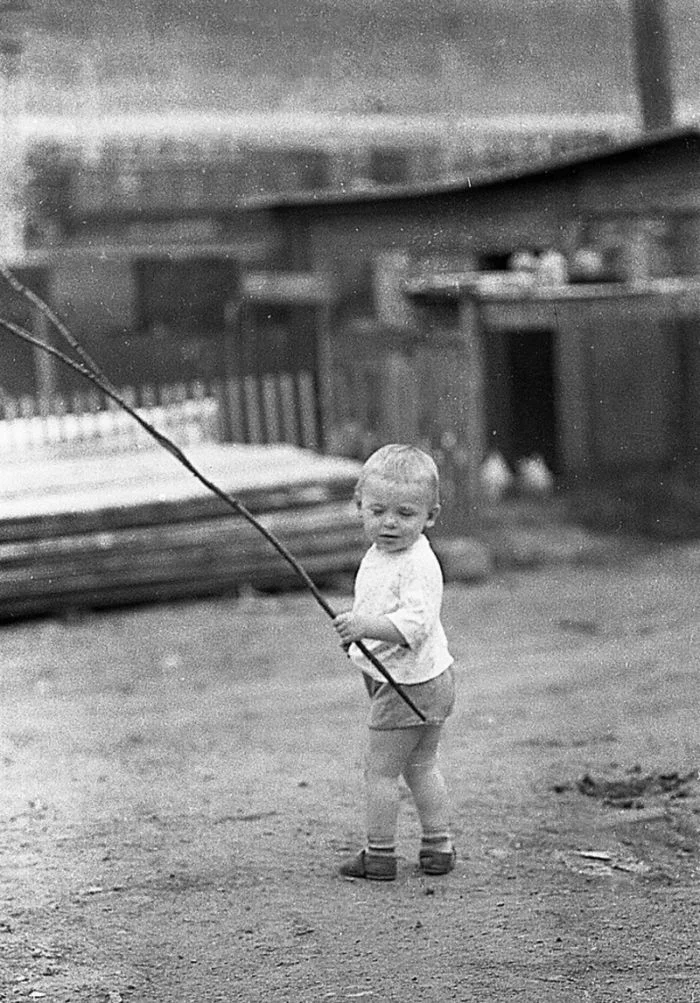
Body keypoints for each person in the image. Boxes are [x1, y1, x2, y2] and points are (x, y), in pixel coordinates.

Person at [333, 443, 456, 881]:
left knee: (380, 772)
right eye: (377, 510)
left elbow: (414, 625)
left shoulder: (417, 562)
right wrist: (359, 639)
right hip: (415, 678)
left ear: (430, 516)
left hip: (410, 683)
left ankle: (380, 855)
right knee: (420, 765)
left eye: (405, 513)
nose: (389, 522)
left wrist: (363, 626)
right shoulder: (382, 554)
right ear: (359, 507)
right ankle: (438, 846)